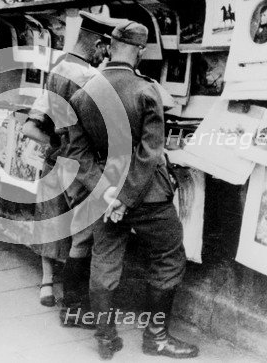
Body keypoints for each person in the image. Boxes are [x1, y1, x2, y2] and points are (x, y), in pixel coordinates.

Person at [67, 21, 199, 360]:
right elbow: (149, 152)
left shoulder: (83, 94)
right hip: (150, 196)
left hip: (105, 196)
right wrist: (126, 198)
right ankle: (156, 339)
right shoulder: (146, 91)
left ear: (110, 46)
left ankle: (106, 339)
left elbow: (78, 155)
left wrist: (109, 193)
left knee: (104, 261)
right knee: (168, 258)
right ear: (139, 50)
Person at [22, 12, 119, 323]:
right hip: (80, 164)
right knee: (83, 233)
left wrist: (56, 146)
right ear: (100, 44)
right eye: (106, 50)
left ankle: (47, 285)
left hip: (55, 160)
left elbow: (31, 127)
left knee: (50, 219)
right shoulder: (89, 77)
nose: (106, 56)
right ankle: (75, 306)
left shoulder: (57, 70)